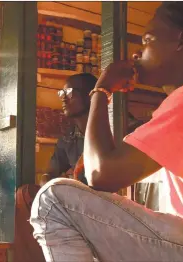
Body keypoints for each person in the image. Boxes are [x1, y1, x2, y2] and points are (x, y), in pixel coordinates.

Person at [30, 2, 183, 262]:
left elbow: (101, 174)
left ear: (181, 40)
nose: (137, 53)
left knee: (54, 201)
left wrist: (102, 90)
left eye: (148, 40)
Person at [14, 73, 144, 262]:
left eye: (69, 92)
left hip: (111, 202)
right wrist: (50, 185)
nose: (63, 97)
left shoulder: (121, 123)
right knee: (24, 195)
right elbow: (49, 173)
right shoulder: (69, 137)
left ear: (91, 95)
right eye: (61, 92)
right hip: (76, 201)